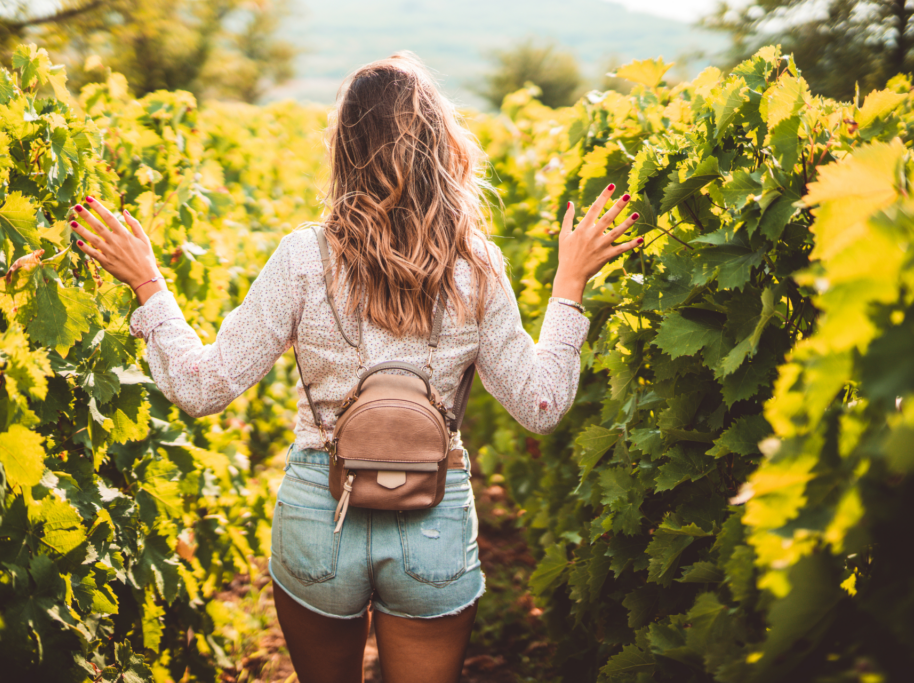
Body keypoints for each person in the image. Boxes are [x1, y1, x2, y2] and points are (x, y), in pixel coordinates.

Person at [70, 51, 642, 683]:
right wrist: (569, 284)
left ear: (343, 147)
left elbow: (200, 387)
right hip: (435, 515)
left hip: (321, 511)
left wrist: (149, 284)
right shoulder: (474, 265)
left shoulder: (302, 257)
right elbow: (541, 407)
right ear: (439, 144)